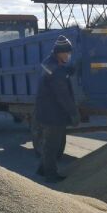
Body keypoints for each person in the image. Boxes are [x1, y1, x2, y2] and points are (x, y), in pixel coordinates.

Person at [34, 35, 80, 183]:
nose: (68, 55)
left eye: (69, 53)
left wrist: (69, 71)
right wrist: (73, 113)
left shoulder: (51, 63)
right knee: (52, 145)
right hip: (52, 113)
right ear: (59, 52)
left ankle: (42, 169)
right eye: (66, 52)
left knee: (52, 143)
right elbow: (63, 95)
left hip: (47, 111)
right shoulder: (56, 70)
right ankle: (50, 175)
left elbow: (60, 73)